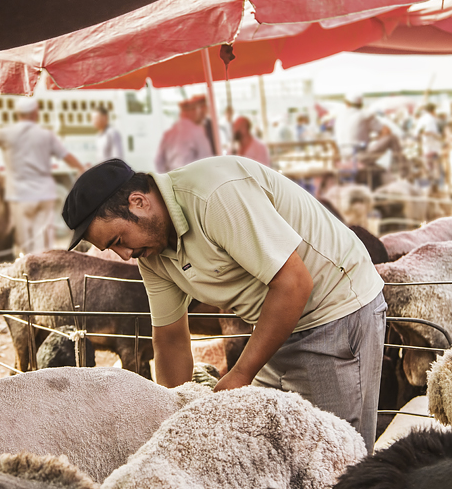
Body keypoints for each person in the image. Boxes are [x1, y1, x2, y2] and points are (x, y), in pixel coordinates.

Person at [62, 156, 386, 451]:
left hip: (335, 311)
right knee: (273, 450)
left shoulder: (214, 196)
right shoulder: (152, 254)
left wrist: (240, 373)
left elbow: (294, 282)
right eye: (111, 249)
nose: (124, 255)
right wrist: (177, 417)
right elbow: (170, 338)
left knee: (336, 456)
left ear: (138, 202)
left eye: (119, 240)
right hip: (275, 327)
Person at [0, 97, 85, 254]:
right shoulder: (45, 135)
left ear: (18, 114)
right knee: (43, 242)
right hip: (44, 193)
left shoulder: (8, 134)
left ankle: (30, 272)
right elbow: (66, 156)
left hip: (19, 195)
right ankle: (44, 270)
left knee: (26, 243)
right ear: (35, 113)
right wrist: (81, 169)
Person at [154, 98, 212, 173]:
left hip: (173, 177)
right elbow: (207, 160)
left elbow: (158, 161)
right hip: (191, 177)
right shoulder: (196, 132)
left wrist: (166, 176)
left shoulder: (168, 133)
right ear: (193, 112)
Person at [335, 93, 382, 163]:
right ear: (361, 104)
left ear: (347, 104)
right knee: (391, 138)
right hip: (359, 156)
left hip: (344, 157)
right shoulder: (366, 115)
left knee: (380, 169)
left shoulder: (339, 116)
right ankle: (403, 168)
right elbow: (384, 130)